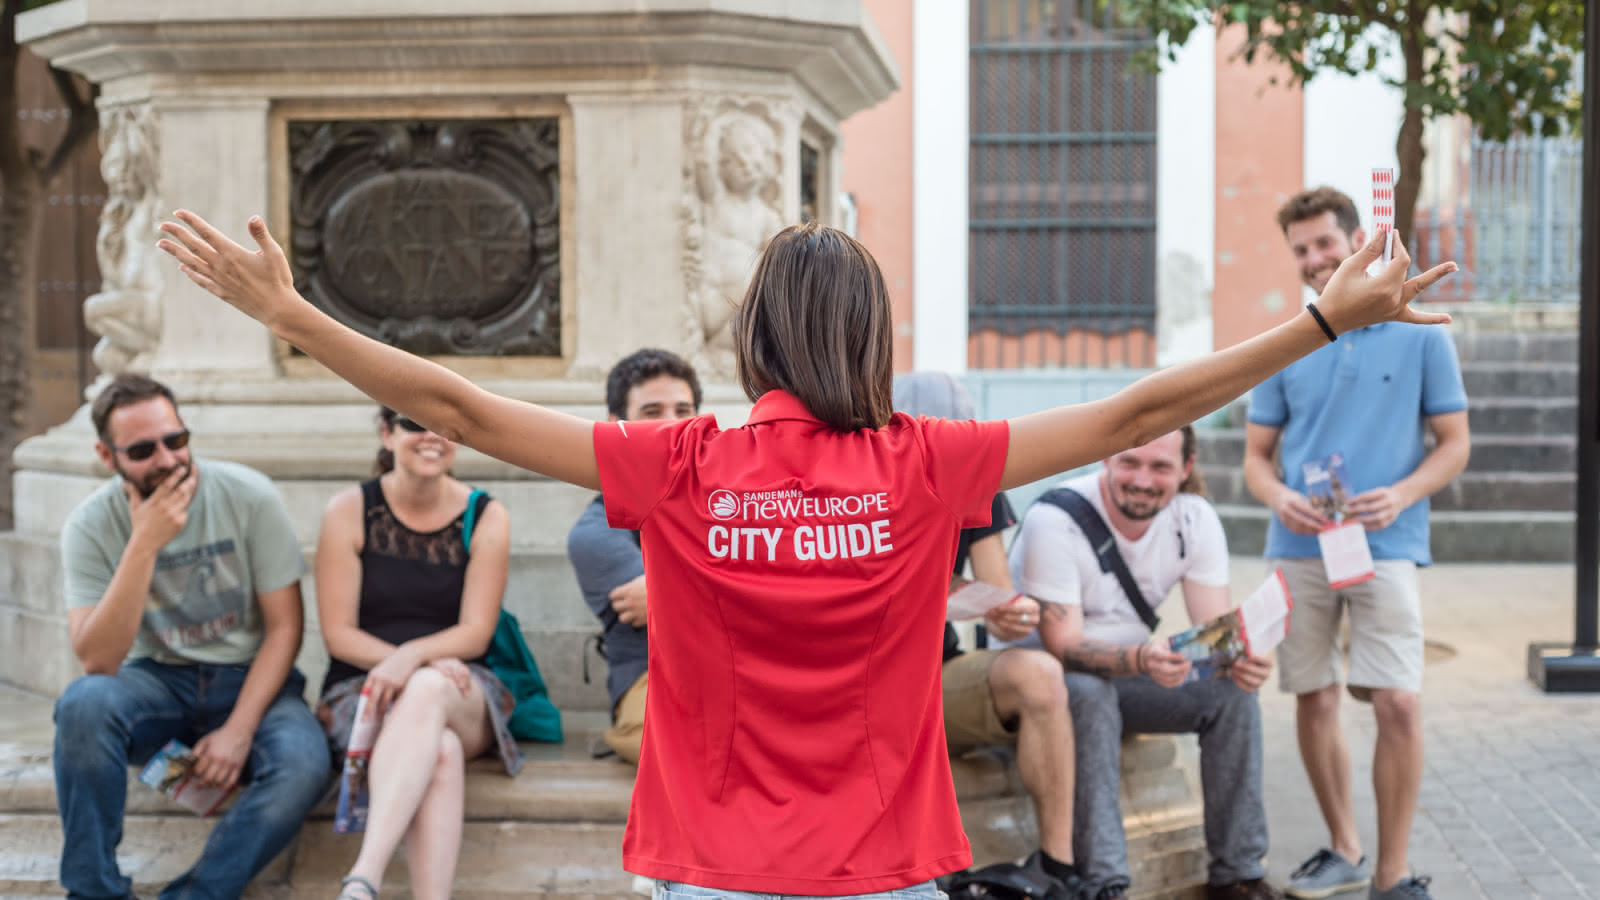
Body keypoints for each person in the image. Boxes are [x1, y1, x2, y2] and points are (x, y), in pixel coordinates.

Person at [158, 208, 1452, 900]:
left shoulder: (684, 465)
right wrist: (1322, 319)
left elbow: (467, 409)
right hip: (882, 873)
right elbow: (1135, 413)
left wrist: (294, 315)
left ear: (757, 340)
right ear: (872, 339)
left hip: (713, 871)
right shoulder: (927, 462)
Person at [1249, 188, 1470, 900]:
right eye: (1301, 251)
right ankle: (1344, 845)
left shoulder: (1422, 331)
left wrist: (1402, 493)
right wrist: (1280, 495)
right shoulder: (1289, 339)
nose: (1314, 260)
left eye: (1323, 243)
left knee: (1398, 703)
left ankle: (1391, 873)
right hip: (1299, 542)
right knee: (1314, 697)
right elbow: (1256, 460)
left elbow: (1455, 444)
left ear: (1356, 242)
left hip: (1387, 542)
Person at [53, 373, 330, 900]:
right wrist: (144, 545)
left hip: (251, 682)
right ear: (106, 456)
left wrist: (239, 731)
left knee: (304, 764)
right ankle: (93, 893)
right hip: (155, 684)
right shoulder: (89, 525)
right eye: (141, 450)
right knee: (82, 706)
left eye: (175, 440)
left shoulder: (249, 496)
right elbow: (97, 660)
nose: (166, 459)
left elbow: (286, 627)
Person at [1007, 427, 1279, 900]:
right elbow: (1062, 644)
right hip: (1041, 685)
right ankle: (1104, 882)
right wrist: (1140, 658)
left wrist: (1244, 658)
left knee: (1232, 691)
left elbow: (1213, 630)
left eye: (1160, 467)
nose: (1143, 479)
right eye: (1130, 462)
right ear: (1106, 456)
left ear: (1186, 470)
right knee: (1090, 692)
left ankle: (1238, 874)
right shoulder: (1057, 517)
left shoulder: (1193, 518)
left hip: (1132, 673)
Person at [315, 407, 527, 900]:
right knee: (442, 754)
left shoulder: (486, 514)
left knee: (430, 689)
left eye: (445, 427)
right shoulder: (348, 510)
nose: (431, 437)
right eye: (414, 424)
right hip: (363, 689)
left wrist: (413, 659)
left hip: (462, 687)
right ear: (387, 435)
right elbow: (338, 634)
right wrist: (404, 663)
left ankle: (363, 875)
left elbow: (475, 634)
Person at [893, 372, 1085, 900]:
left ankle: (1057, 865)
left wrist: (1009, 613)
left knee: (1040, 675)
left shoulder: (974, 478)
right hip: (876, 675)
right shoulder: (868, 482)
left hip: (942, 669)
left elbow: (997, 591)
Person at [567, 348, 703, 763]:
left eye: (684, 409)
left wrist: (667, 593)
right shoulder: (594, 532)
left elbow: (673, 603)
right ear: (615, 426)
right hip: (652, 686)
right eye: (651, 411)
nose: (673, 424)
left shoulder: (728, 503)